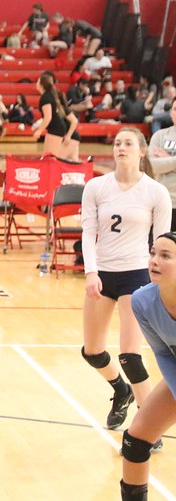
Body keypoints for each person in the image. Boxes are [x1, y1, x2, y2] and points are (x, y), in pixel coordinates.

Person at [81, 128, 172, 437]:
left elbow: (161, 243)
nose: (121, 147)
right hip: (103, 273)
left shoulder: (155, 192)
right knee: (92, 351)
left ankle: (149, 429)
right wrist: (91, 272)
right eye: (117, 143)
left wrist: (158, 283)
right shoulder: (95, 186)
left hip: (136, 275)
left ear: (141, 152)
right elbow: (87, 232)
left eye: (128, 143)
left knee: (130, 355)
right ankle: (121, 390)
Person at [121, 231, 176, 501]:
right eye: (153, 253)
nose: (154, 261)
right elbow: (163, 353)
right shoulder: (142, 300)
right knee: (135, 440)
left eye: (165, 256)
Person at [33, 72, 80, 161]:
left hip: (58, 131)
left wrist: (39, 131)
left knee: (51, 160)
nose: (36, 83)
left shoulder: (46, 98)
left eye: (38, 81)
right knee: (69, 161)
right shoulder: (54, 97)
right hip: (64, 132)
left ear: (42, 85)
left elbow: (48, 117)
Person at [149, 104, 176, 231]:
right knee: (159, 249)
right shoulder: (159, 136)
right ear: (171, 112)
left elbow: (159, 164)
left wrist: (165, 157)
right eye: (175, 109)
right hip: (161, 203)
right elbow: (151, 166)